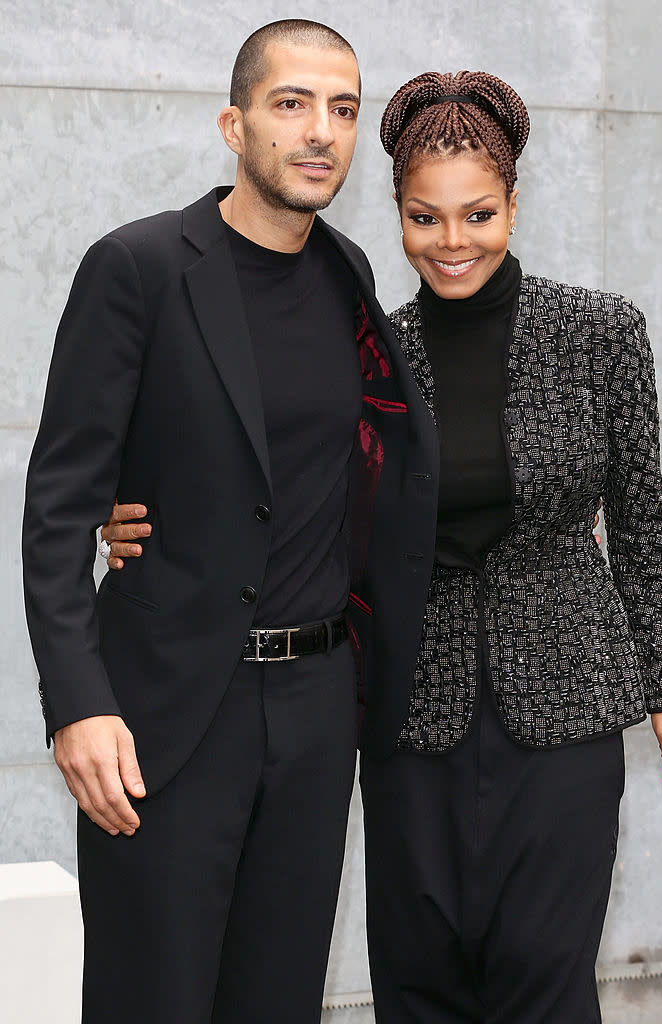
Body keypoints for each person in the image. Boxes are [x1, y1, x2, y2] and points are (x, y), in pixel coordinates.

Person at [104, 68, 662, 1022]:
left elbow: (643, 522)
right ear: (397, 214)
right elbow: (286, 482)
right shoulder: (374, 351)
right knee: (419, 980)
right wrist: (138, 515)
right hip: (408, 713)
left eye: (477, 215)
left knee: (542, 974)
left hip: (569, 705)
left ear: (513, 204)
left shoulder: (599, 333)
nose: (452, 243)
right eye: (425, 219)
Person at [22, 20, 439, 1024]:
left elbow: (373, 470)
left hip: (313, 710)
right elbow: (58, 509)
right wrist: (78, 701)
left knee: (278, 1001)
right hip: (167, 716)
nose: (320, 132)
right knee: (151, 999)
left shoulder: (348, 278)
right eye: (291, 104)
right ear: (233, 122)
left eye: (342, 110)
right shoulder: (138, 268)